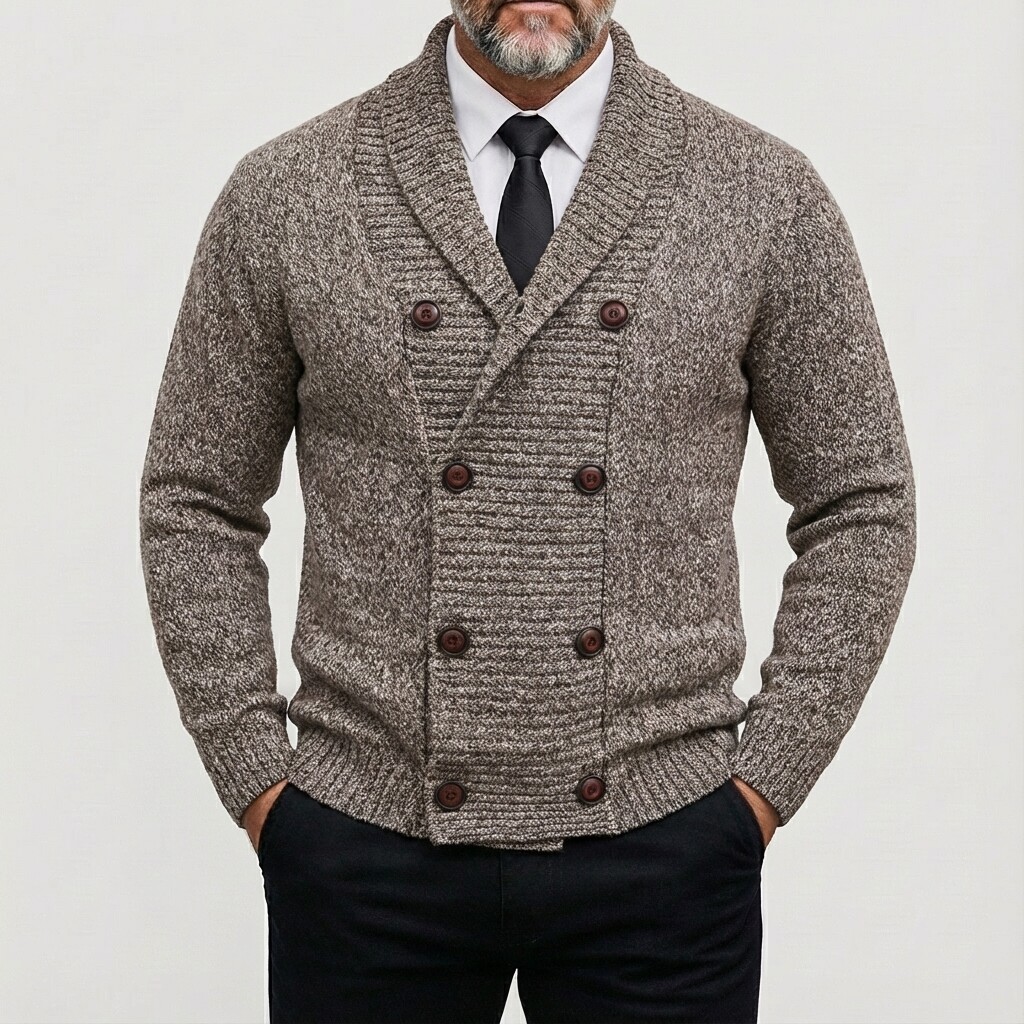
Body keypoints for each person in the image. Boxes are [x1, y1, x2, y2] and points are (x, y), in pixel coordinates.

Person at [138, 2, 917, 1021]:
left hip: (663, 842)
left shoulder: (760, 191)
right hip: (366, 844)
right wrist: (260, 784)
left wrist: (761, 787)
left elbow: (860, 500)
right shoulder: (291, 189)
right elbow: (195, 498)